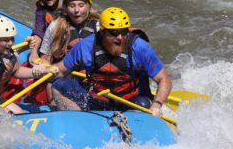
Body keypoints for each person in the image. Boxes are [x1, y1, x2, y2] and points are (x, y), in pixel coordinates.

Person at [34, 7, 171, 117]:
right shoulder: (86, 47)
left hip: (132, 102)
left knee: (143, 103)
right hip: (98, 101)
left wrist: (157, 104)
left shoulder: (139, 47)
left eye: (123, 32)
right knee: (59, 85)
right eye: (114, 33)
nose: (120, 38)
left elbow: (164, 79)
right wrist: (45, 70)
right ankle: (79, 120)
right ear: (103, 32)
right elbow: (60, 70)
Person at [28, 0, 65, 65]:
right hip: (46, 45)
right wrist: (34, 53)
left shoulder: (69, 8)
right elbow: (39, 30)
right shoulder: (42, 9)